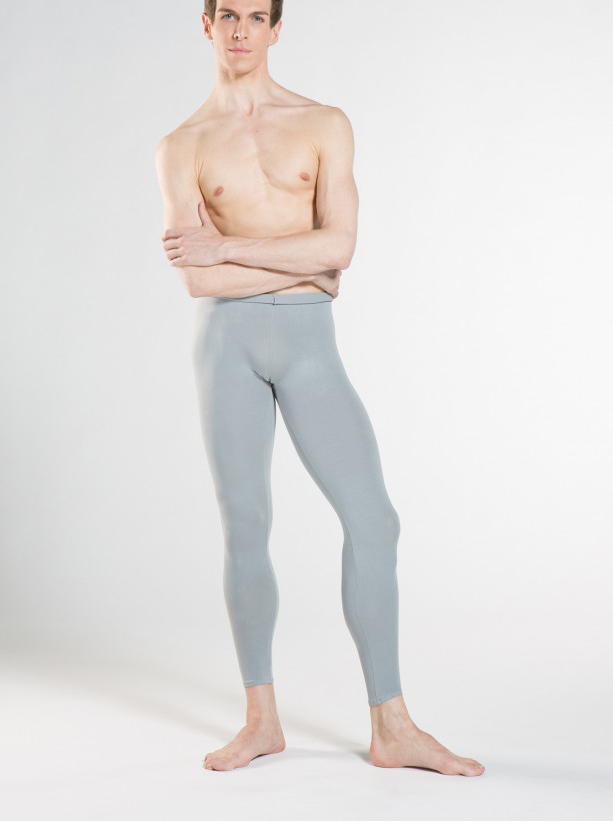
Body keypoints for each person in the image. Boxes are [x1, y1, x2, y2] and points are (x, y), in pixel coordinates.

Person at [155, 0, 485, 777]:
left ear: (276, 28)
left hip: (310, 349)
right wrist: (304, 265)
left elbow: (341, 246)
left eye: (255, 16)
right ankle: (261, 720)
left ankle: (392, 725)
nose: (241, 30)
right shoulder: (181, 145)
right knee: (246, 524)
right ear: (206, 25)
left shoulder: (324, 125)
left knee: (374, 519)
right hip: (226, 345)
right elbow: (198, 279)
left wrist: (231, 246)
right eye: (227, 15)